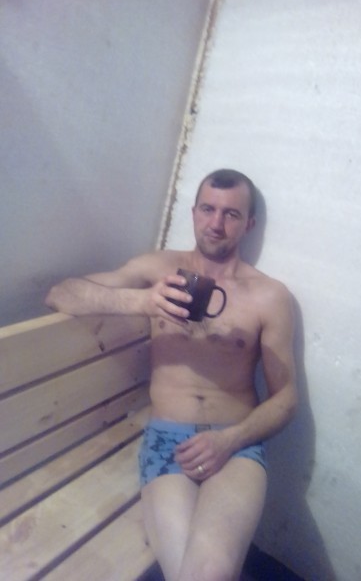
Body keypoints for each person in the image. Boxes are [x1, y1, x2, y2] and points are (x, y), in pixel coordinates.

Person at [45, 169, 298, 581]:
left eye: (231, 214)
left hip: (235, 443)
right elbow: (61, 294)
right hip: (166, 437)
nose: (216, 223)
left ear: (249, 224)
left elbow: (286, 399)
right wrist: (142, 302)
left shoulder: (270, 297)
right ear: (193, 212)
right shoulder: (158, 268)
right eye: (208, 209)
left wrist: (229, 440)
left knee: (209, 571)